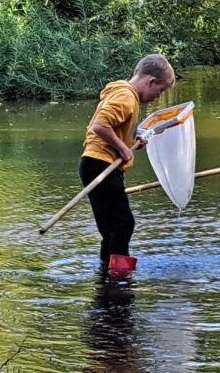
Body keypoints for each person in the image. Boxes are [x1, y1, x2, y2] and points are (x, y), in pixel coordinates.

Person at [79, 54, 175, 276]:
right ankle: (119, 280)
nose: (157, 97)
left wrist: (131, 143)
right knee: (124, 224)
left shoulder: (122, 92)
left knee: (111, 228)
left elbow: (111, 129)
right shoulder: (126, 97)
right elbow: (99, 125)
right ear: (150, 81)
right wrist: (122, 148)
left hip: (95, 163)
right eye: (159, 91)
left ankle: (106, 274)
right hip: (100, 164)